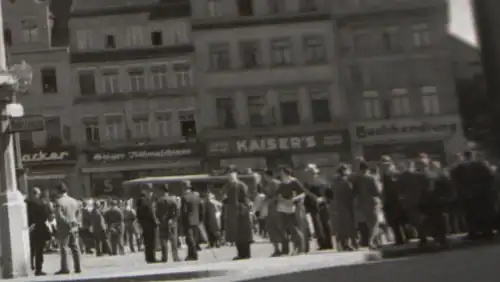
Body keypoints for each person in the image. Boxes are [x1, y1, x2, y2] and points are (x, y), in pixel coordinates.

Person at [224, 165, 253, 260]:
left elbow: (235, 200)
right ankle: (242, 253)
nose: (229, 175)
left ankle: (244, 254)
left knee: (242, 233)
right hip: (240, 211)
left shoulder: (236, 185)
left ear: (235, 174)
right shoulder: (233, 185)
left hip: (240, 211)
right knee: (240, 234)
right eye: (228, 173)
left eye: (231, 173)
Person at [353, 161, 383, 250]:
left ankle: (377, 242)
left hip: (362, 203)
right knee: (375, 223)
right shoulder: (371, 178)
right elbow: (377, 192)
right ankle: (371, 242)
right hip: (372, 203)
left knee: (370, 224)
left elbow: (354, 192)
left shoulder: (357, 179)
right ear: (367, 169)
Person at [53, 182, 82, 275]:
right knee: (75, 248)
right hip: (74, 227)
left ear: (58, 191)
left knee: (64, 248)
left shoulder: (59, 202)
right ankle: (78, 267)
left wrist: (67, 222)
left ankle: (65, 268)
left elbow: (59, 215)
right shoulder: (74, 201)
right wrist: (76, 222)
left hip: (63, 229)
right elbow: (78, 213)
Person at [303, 164, 333, 250]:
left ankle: (327, 243)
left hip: (321, 207)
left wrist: (323, 199)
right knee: (319, 226)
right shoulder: (308, 185)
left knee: (324, 225)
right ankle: (324, 244)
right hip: (315, 208)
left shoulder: (321, 183)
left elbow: (329, 195)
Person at [26, 187, 51, 276]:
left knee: (32, 250)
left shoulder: (26, 204)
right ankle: (38, 269)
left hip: (30, 229)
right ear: (38, 194)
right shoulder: (42, 204)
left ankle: (32, 266)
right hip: (39, 229)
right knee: (39, 250)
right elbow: (45, 216)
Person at [332, 164, 358, 251]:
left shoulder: (335, 181)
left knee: (341, 226)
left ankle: (342, 244)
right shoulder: (345, 181)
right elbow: (351, 192)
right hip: (346, 205)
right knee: (349, 225)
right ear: (343, 171)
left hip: (338, 206)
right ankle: (350, 244)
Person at [155, 184, 180, 262]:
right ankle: (175, 257)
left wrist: (159, 220)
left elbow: (156, 213)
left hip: (162, 223)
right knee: (174, 241)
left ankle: (164, 258)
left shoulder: (159, 201)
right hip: (172, 223)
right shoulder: (173, 199)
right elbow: (177, 211)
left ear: (162, 191)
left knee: (164, 241)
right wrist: (173, 219)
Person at [180, 180, 203, 261]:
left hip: (188, 221)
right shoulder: (196, 196)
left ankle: (194, 254)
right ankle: (190, 255)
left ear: (183, 187)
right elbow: (201, 208)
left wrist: (182, 222)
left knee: (190, 239)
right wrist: (200, 218)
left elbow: (184, 211)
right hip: (196, 220)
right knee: (193, 238)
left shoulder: (184, 197)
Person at [136, 188, 159, 263]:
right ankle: (152, 257)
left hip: (144, 224)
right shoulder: (147, 201)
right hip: (150, 224)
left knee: (147, 242)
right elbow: (151, 212)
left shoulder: (139, 202)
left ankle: (148, 257)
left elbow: (138, 215)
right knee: (152, 242)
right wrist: (155, 221)